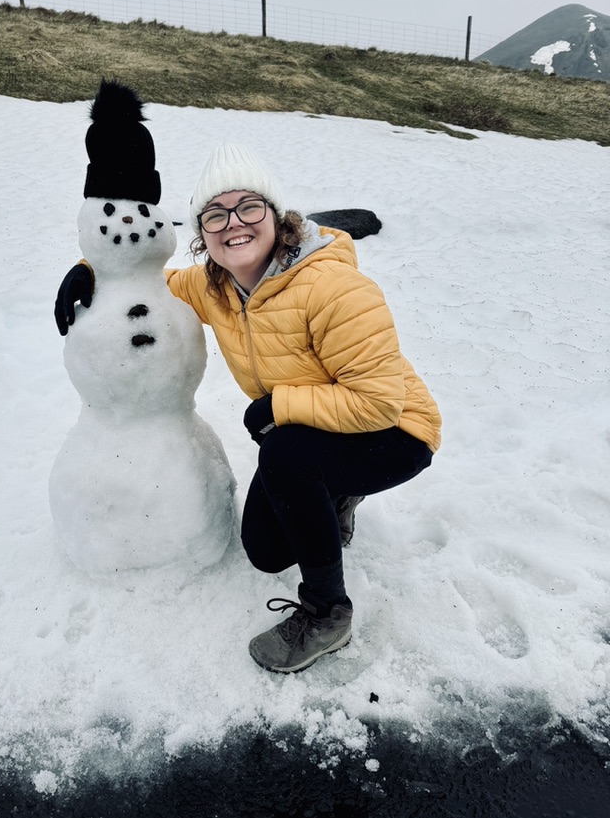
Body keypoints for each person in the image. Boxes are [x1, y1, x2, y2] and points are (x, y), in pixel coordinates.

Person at [56, 142, 441, 674]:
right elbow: (147, 278)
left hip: (396, 432)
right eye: (215, 214)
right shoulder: (215, 286)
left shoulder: (335, 289)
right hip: (319, 429)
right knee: (266, 550)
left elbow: (377, 403)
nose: (234, 223)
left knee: (285, 454)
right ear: (203, 232)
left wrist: (278, 405)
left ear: (277, 217)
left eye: (248, 207)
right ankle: (335, 495)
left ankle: (328, 612)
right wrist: (89, 270)